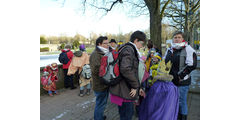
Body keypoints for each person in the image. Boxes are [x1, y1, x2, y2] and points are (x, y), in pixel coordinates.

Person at [109, 30, 146, 120]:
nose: (142, 46)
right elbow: (125, 69)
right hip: (125, 90)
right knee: (127, 115)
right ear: (136, 40)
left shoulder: (125, 48)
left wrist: (138, 87)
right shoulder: (129, 49)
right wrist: (136, 86)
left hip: (124, 88)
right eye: (141, 43)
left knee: (124, 114)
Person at [164, 31, 197, 120]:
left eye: (179, 37)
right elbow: (165, 62)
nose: (177, 39)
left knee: (181, 102)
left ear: (183, 39)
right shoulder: (170, 49)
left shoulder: (188, 49)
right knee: (173, 101)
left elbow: (192, 65)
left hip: (182, 81)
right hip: (170, 80)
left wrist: (180, 76)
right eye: (175, 37)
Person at [90, 36, 109, 120]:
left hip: (104, 83)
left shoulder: (104, 52)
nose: (107, 45)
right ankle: (98, 118)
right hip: (100, 84)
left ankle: (100, 116)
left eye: (107, 43)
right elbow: (95, 70)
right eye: (105, 43)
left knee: (102, 103)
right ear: (99, 44)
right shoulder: (95, 54)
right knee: (100, 103)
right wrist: (107, 71)